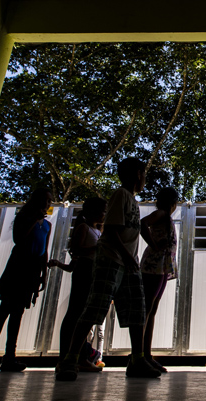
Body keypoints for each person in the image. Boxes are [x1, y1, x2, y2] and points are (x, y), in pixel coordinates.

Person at [56, 157, 160, 380]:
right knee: (95, 308)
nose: (145, 179)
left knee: (137, 312)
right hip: (111, 259)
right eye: (144, 174)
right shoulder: (120, 195)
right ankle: (70, 360)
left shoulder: (133, 201)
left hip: (128, 261)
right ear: (138, 174)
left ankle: (137, 360)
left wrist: (133, 257)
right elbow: (111, 230)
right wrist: (126, 255)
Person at [0, 188, 53, 372]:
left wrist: (44, 273)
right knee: (5, 309)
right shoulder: (25, 218)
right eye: (45, 200)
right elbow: (18, 239)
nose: (48, 204)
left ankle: (9, 356)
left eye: (49, 201)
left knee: (18, 312)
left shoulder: (47, 225)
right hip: (19, 266)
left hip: (33, 269)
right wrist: (33, 219)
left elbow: (44, 249)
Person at [49, 197, 107, 373]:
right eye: (102, 211)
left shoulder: (96, 231)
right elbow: (76, 251)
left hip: (93, 273)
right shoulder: (83, 228)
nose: (104, 214)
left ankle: (80, 356)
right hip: (84, 271)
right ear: (93, 211)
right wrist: (98, 248)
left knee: (85, 315)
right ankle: (65, 357)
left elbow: (71, 264)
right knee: (75, 314)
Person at [140, 187, 179, 373]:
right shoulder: (162, 213)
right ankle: (141, 356)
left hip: (162, 266)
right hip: (153, 266)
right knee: (147, 309)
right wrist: (153, 245)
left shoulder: (166, 216)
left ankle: (146, 355)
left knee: (152, 310)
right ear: (172, 203)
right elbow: (143, 224)